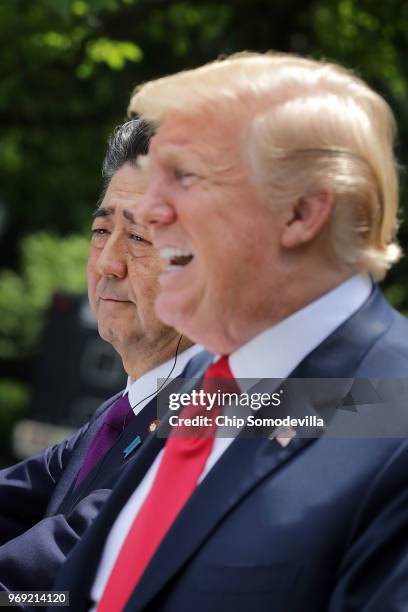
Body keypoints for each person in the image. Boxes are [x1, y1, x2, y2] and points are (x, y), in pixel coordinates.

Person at [54, 53, 408, 611]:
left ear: (300, 213)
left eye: (185, 176)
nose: (149, 208)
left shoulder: (389, 410)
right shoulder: (203, 381)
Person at [0, 118, 201, 593]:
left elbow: (61, 574)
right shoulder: (121, 411)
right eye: (101, 229)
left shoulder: (227, 412)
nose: (108, 263)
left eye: (138, 238)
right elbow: (17, 496)